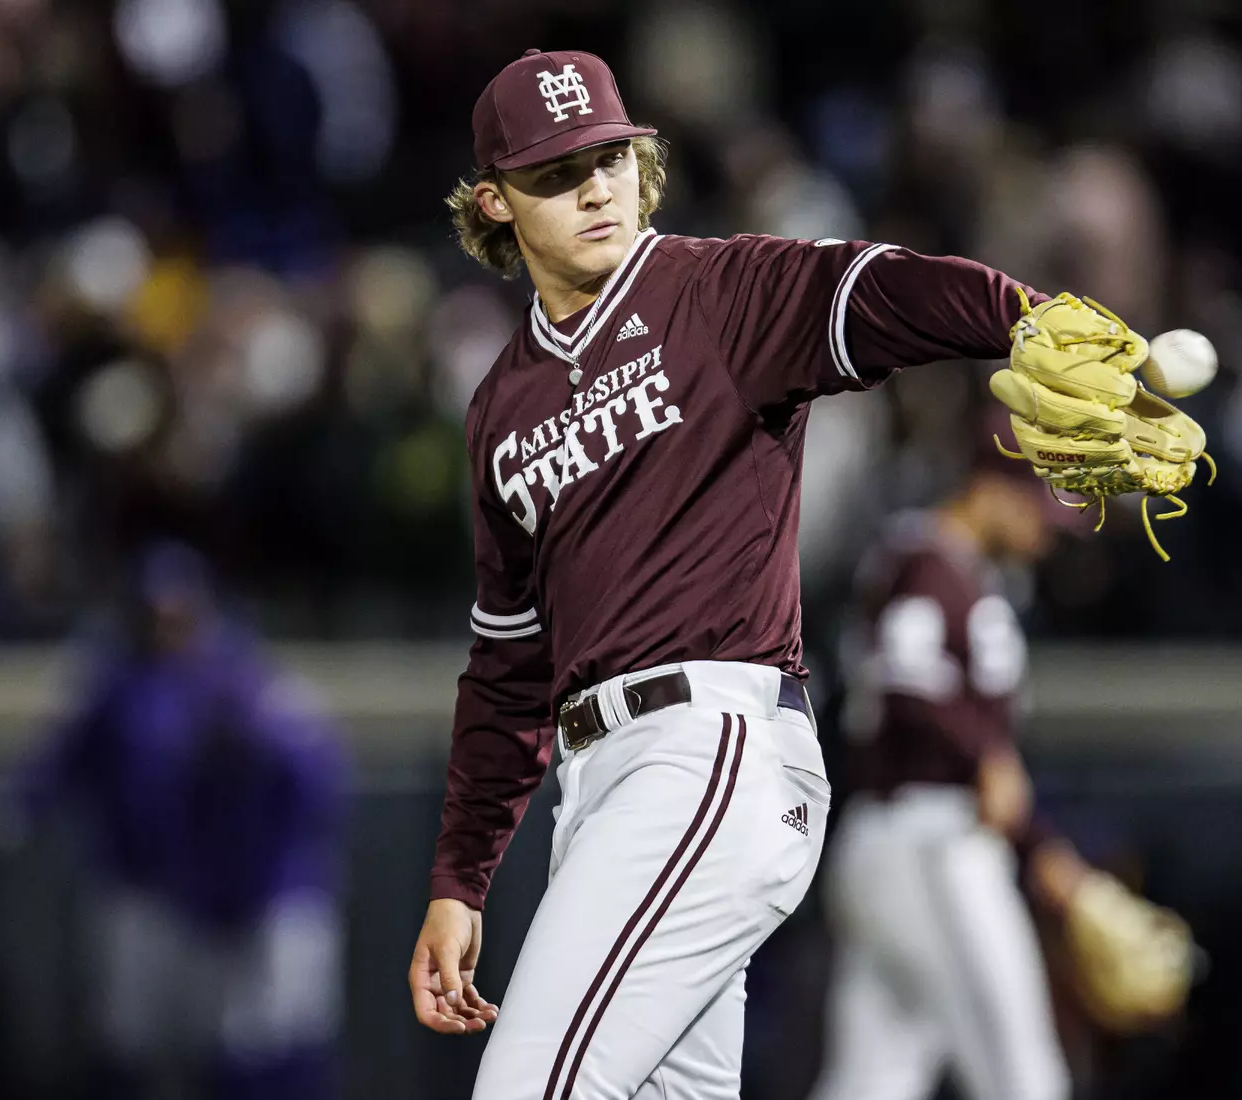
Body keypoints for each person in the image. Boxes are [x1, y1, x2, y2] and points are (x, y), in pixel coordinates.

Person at [405, 47, 1089, 1100]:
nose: (595, 186)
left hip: (708, 748)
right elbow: (507, 667)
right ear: (493, 202)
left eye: (610, 157)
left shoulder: (715, 291)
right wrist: (460, 877)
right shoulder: (502, 406)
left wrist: (1023, 314)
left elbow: (873, 288)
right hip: (596, 788)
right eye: (555, 172)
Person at [808, 423, 1087, 1100]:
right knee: (1022, 1076)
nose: (1045, 534)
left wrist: (1038, 841)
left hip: (900, 840)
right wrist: (986, 757)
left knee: (875, 1078)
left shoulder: (952, 571)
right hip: (930, 841)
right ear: (992, 488)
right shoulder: (925, 563)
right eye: (1036, 508)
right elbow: (906, 686)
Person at [13, 541, 348, 1100]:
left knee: (281, 1053)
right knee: (160, 1050)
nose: (166, 624)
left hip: (275, 904)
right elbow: (64, 762)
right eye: (155, 611)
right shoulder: (118, 683)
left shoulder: (246, 684)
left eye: (178, 610)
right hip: (167, 897)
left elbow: (319, 784)